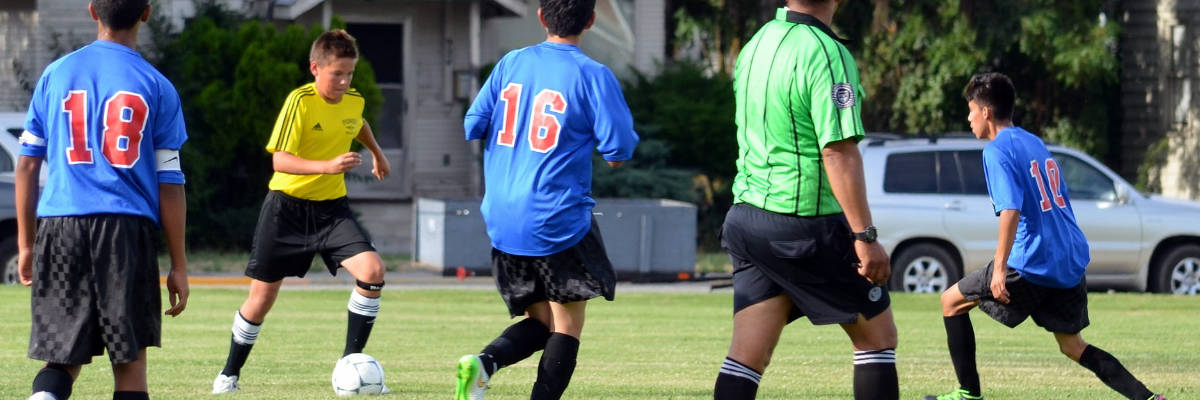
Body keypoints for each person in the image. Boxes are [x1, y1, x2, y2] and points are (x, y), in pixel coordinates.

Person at [922, 72, 1165, 400]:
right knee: (1073, 345)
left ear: (985, 112)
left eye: (971, 110)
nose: (968, 118)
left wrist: (999, 268)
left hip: (1033, 259)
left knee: (950, 301)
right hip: (1069, 256)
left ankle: (968, 394)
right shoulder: (1033, 142)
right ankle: (1147, 398)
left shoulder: (996, 151)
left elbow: (1011, 210)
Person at [713, 0, 899, 399]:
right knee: (877, 338)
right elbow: (838, 152)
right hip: (802, 223)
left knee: (747, 355)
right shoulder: (827, 53)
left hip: (748, 217)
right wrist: (865, 237)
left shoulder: (757, 43)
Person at [454, 0, 639, 398]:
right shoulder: (592, 74)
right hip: (556, 218)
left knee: (542, 323)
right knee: (567, 327)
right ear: (591, 20)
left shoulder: (511, 63)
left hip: (503, 219)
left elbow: (473, 124)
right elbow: (618, 151)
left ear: (540, 16)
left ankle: (483, 364)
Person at [15, 0, 190, 399]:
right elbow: (170, 182)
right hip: (126, 230)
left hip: (61, 227)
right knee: (129, 365)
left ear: (92, 11)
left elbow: (26, 165)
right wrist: (179, 264)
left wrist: (26, 244)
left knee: (61, 359)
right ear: (146, 13)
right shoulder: (157, 85)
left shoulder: (55, 74)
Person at [210, 29, 392, 394]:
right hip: (286, 211)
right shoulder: (300, 101)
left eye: (349, 73)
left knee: (372, 271)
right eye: (337, 74)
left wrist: (377, 153)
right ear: (315, 68)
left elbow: (357, 122)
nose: (344, 81)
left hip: (332, 211)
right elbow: (280, 160)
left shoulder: (353, 100)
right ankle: (229, 373)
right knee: (260, 301)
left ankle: (349, 365)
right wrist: (327, 166)